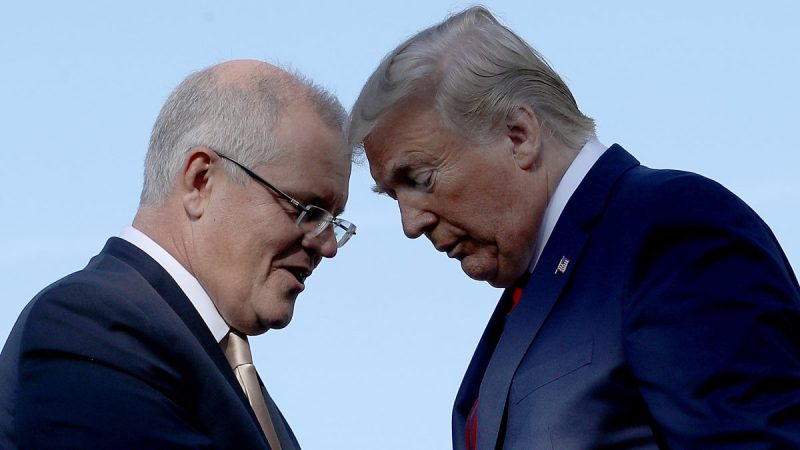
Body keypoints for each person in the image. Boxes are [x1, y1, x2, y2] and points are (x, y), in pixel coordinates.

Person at [349, 6, 800, 449]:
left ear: (519, 135)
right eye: (393, 197)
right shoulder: (538, 288)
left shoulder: (671, 229)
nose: (410, 224)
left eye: (421, 179)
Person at [0, 59, 356, 449]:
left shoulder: (223, 370)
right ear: (200, 181)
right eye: (307, 210)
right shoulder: (92, 326)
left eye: (333, 221)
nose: (327, 246)